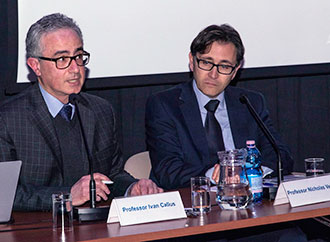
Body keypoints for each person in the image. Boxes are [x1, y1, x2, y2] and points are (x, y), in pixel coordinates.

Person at [0, 13, 162, 211]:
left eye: (78, 56)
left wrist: (132, 187)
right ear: (35, 66)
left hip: (95, 227)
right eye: (62, 59)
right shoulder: (8, 119)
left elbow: (112, 175)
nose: (75, 68)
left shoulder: (100, 110)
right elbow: (7, 195)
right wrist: (67, 196)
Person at [145, 24, 294, 190]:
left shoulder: (249, 102)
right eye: (206, 62)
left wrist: (250, 174)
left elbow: (280, 156)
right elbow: (168, 171)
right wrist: (214, 176)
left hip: (247, 201)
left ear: (235, 71)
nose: (213, 74)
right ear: (192, 61)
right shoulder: (165, 105)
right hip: (195, 203)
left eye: (224, 66)